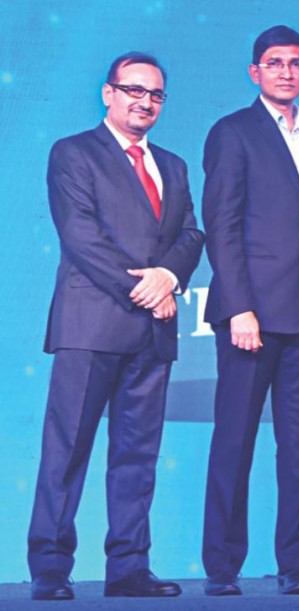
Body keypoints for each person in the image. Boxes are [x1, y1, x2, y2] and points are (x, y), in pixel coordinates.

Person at [27, 52, 204, 601]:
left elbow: (192, 235)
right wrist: (148, 289)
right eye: (133, 90)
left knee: (137, 456)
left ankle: (128, 568)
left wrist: (170, 275)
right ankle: (51, 569)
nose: (144, 101)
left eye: (155, 94)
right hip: (91, 326)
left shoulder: (171, 165)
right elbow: (80, 237)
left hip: (152, 334)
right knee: (68, 452)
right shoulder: (75, 153)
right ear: (108, 94)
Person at [201, 25, 299, 597]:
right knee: (234, 442)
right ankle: (221, 568)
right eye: (274, 62)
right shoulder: (233, 133)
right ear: (255, 71)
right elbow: (223, 225)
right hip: (250, 319)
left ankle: (294, 567)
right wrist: (239, 308)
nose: (286, 71)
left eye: (297, 63)